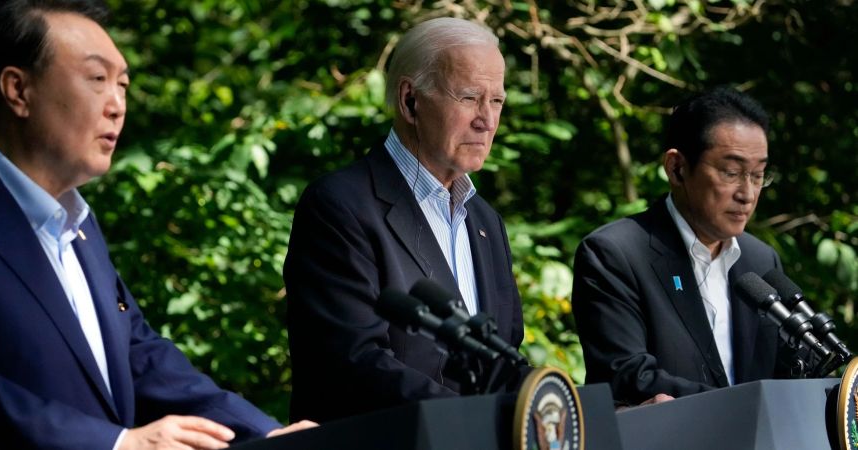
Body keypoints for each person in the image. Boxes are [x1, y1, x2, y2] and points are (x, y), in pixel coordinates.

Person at [0, 1, 314, 448]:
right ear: (18, 90)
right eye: (97, 79)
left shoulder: (78, 224)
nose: (117, 105)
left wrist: (269, 434)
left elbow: (139, 355)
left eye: (123, 84)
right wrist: (118, 444)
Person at [284, 17, 524, 423]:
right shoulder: (339, 206)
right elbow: (354, 364)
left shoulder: (485, 220)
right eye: (469, 98)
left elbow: (504, 360)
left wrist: (577, 405)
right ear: (410, 100)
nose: (487, 120)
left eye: (496, 101)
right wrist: (479, 419)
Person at [572, 87, 790, 406]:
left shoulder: (760, 260)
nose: (748, 193)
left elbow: (787, 372)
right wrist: (746, 407)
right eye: (731, 172)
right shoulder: (615, 253)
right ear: (677, 168)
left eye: (757, 176)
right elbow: (630, 375)